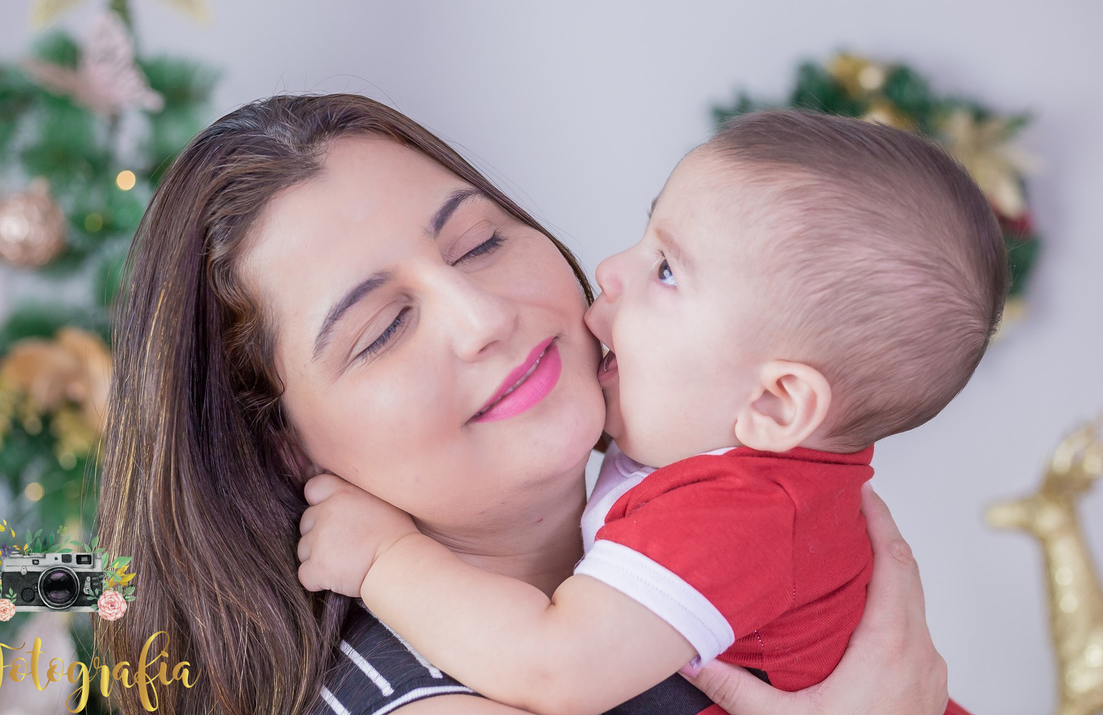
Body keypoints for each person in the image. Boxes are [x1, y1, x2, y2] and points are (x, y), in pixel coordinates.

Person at [95, 94, 953, 715]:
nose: (483, 319)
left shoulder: (706, 512)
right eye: (385, 328)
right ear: (284, 445)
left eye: (479, 243)